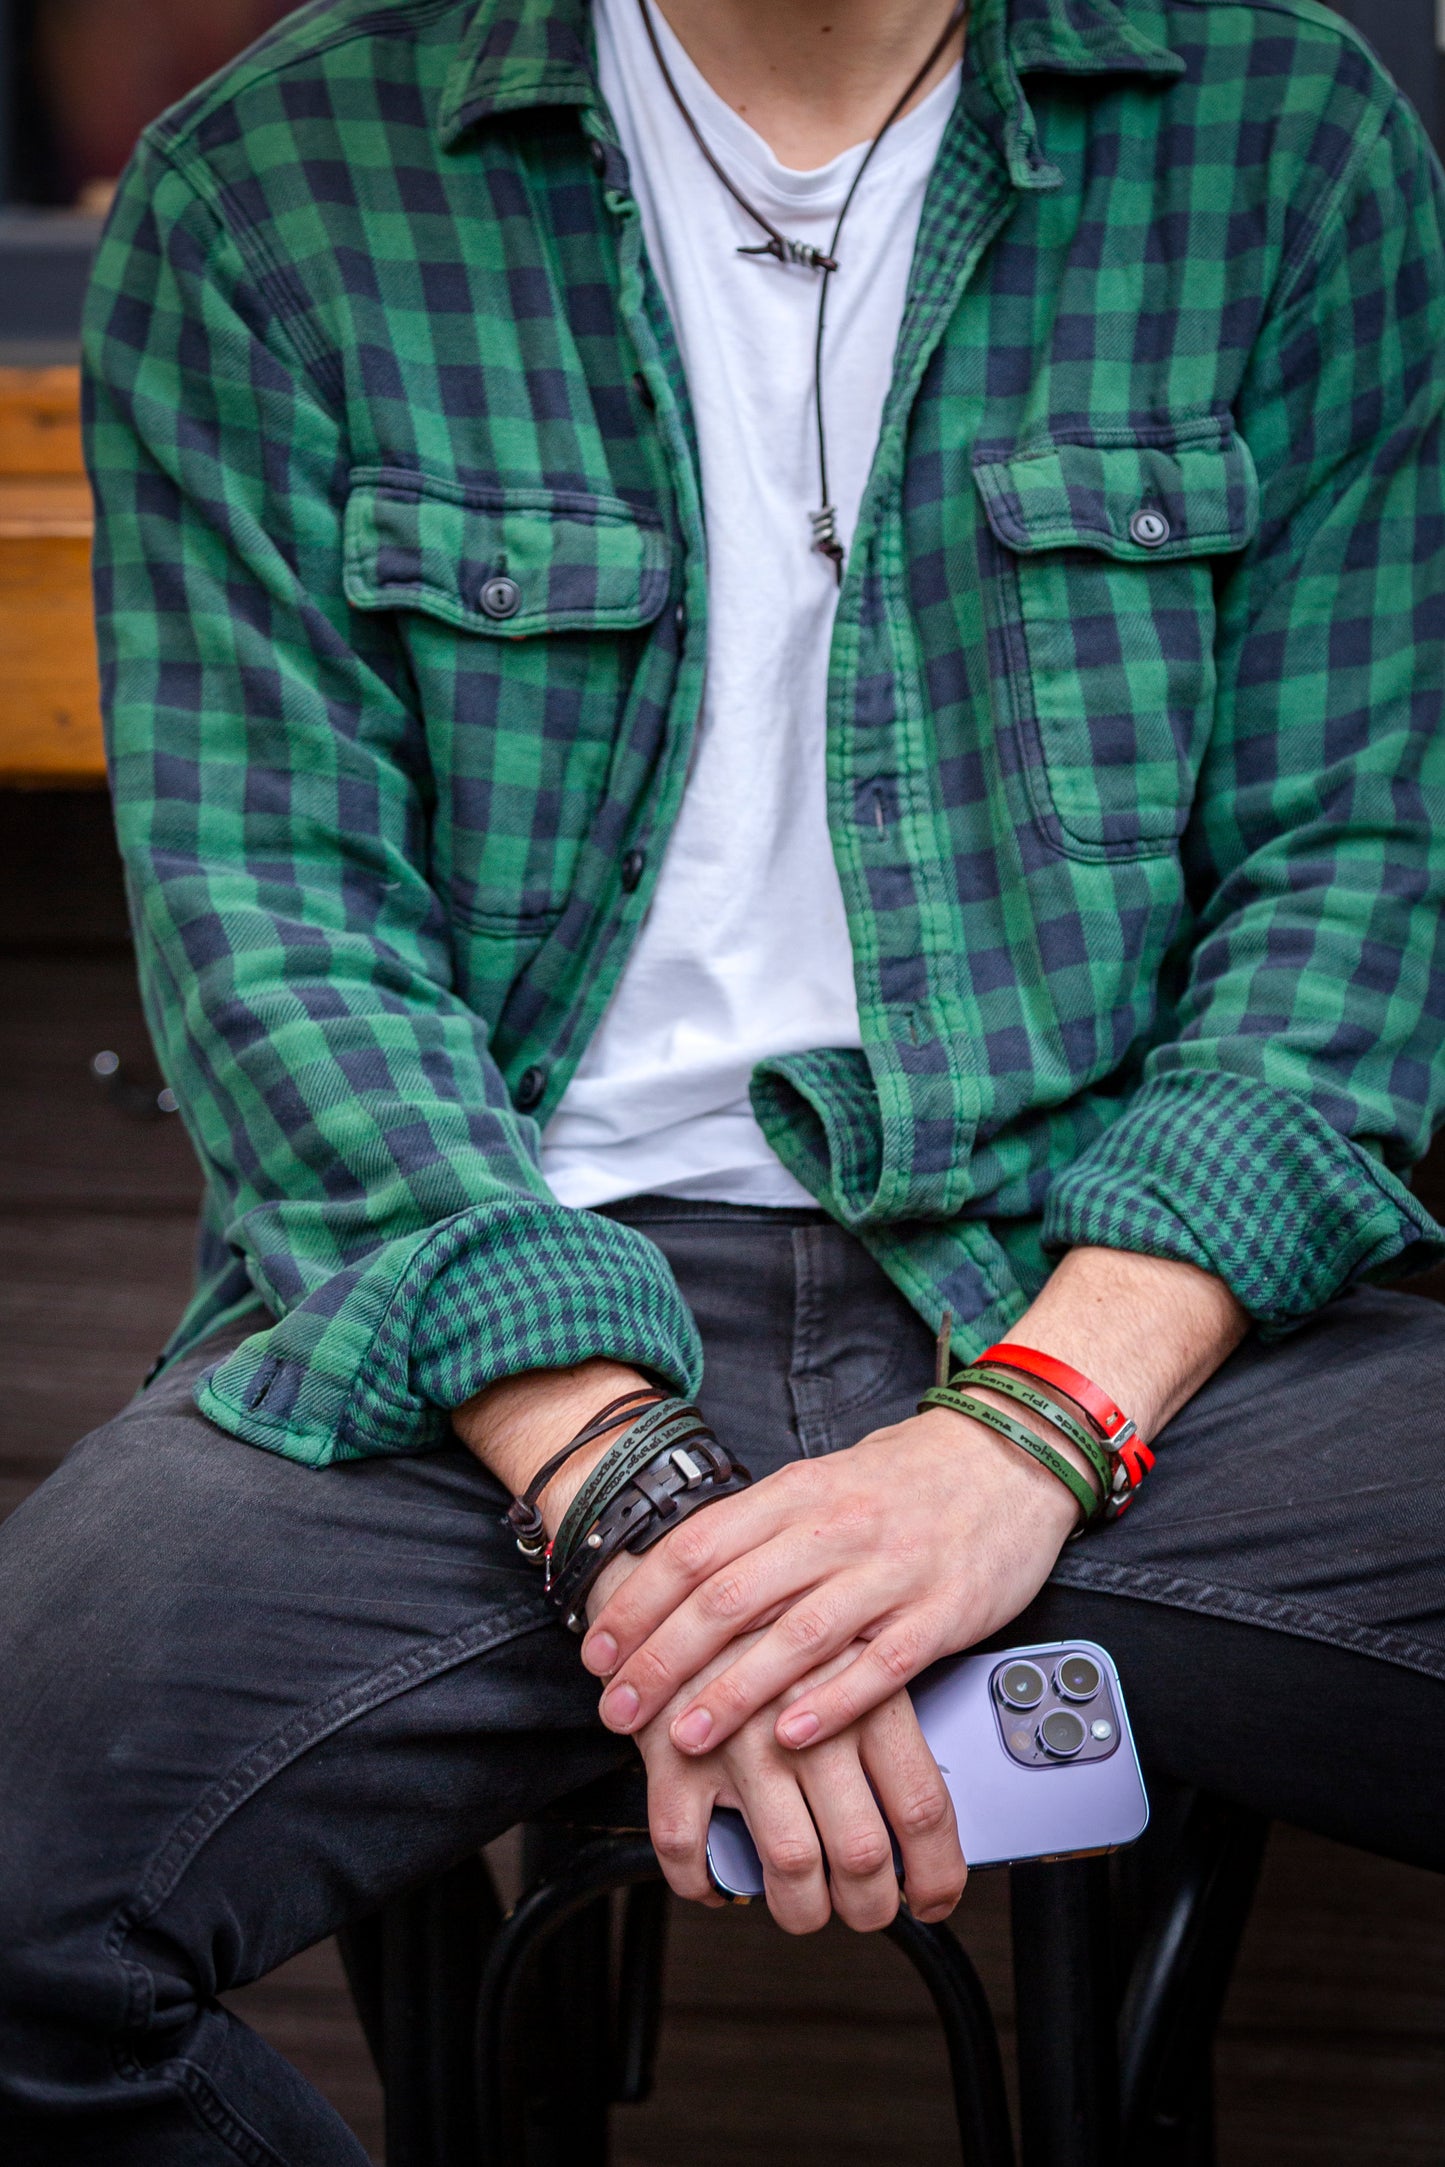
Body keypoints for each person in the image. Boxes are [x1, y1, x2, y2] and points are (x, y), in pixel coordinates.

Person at [4, 0, 1445, 2156]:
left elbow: (1362, 887)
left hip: (1129, 1306)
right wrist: (637, 1509)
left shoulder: (1285, 134)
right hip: (483, 1325)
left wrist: (1022, 1437)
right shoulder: (271, 188)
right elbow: (278, 948)